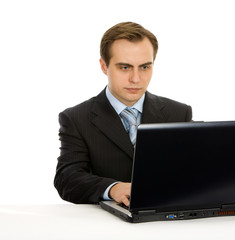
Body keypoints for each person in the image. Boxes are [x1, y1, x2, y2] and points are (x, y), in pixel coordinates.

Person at [54, 22, 192, 206]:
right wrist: (112, 188)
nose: (136, 79)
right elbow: (67, 178)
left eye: (144, 67)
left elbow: (193, 170)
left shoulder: (179, 113)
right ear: (104, 66)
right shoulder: (76, 118)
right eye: (125, 67)